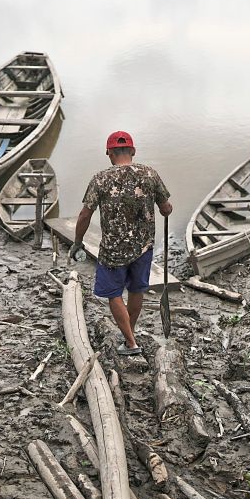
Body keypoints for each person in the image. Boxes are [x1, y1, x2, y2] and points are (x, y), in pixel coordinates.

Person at [73, 130, 172, 355]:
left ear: (109, 153)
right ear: (133, 151)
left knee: (113, 294)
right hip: (143, 247)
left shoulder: (100, 179)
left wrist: (78, 242)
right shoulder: (150, 174)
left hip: (112, 250)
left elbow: (84, 215)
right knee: (137, 290)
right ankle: (130, 334)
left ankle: (130, 342)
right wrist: (164, 208)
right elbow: (166, 208)